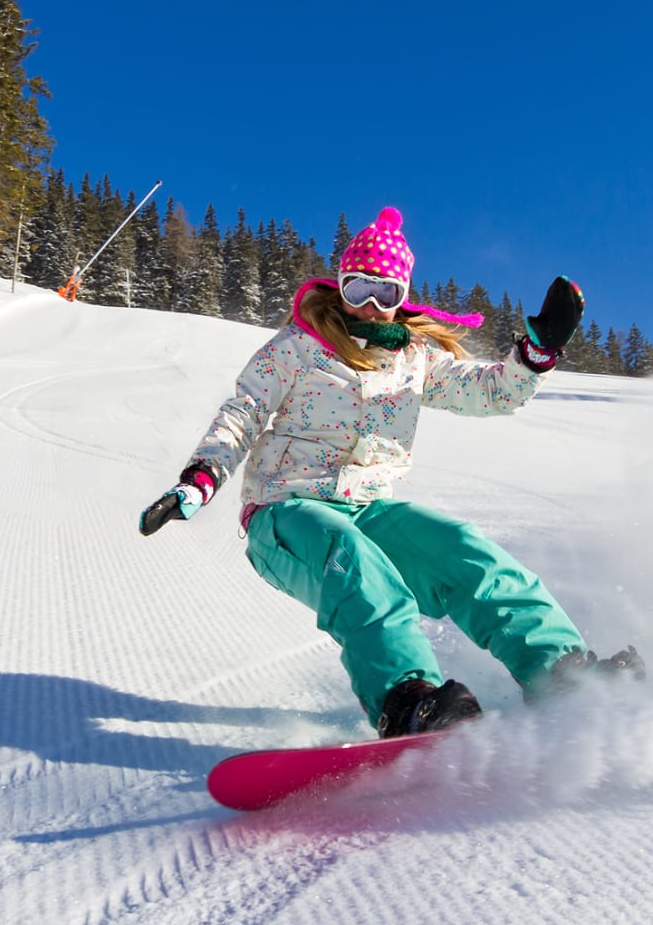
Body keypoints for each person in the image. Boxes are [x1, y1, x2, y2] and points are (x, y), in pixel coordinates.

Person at [139, 206, 644, 737]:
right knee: (354, 563)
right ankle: (406, 698)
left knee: (464, 551)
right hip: (286, 514)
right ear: (339, 287)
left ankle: (559, 672)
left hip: (369, 508)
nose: (372, 308)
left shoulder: (415, 359)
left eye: (386, 294)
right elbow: (242, 412)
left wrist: (537, 353)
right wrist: (201, 477)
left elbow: (490, 392)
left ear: (403, 297)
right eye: (358, 291)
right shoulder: (298, 345)